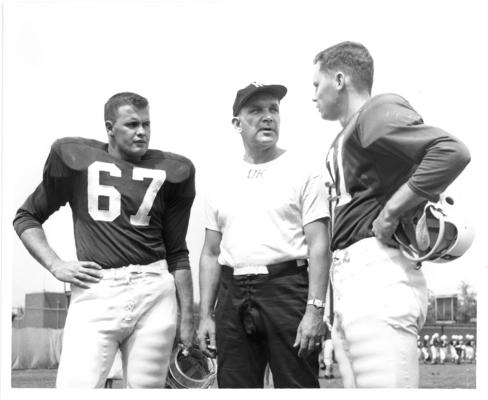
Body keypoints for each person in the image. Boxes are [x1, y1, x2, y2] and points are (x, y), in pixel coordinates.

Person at [312, 41, 471, 388]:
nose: (313, 94)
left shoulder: (374, 111)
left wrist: (391, 212)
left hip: (378, 273)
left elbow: (450, 151)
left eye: (316, 83)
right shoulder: (346, 133)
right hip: (351, 277)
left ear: (339, 79)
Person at [13, 92, 196, 388]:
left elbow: (177, 252)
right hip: (98, 286)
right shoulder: (75, 158)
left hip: (154, 287)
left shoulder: (174, 170)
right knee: (76, 388)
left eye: (146, 124)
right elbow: (26, 217)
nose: (142, 132)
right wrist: (55, 264)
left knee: (147, 390)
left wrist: (188, 318)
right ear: (109, 127)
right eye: (132, 124)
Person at [197, 82, 331, 388]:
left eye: (273, 109)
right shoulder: (219, 178)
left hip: (286, 289)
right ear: (237, 123)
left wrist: (315, 309)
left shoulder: (303, 169)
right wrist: (205, 315)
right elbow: (210, 252)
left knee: (297, 387)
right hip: (232, 294)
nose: (267, 117)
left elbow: (319, 245)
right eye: (256, 110)